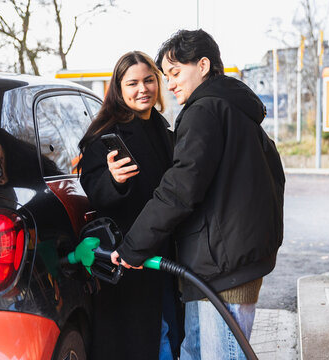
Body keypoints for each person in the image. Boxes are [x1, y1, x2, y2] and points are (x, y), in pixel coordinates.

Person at [111, 29, 285, 359]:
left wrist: (133, 247)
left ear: (202, 65)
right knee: (193, 352)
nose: (170, 83)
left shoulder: (204, 111)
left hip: (222, 270)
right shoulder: (236, 111)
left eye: (176, 73)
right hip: (221, 265)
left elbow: (179, 189)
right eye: (167, 76)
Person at [78, 51, 183, 360]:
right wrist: (113, 180)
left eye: (149, 80)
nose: (143, 89)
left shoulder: (162, 129)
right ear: (119, 89)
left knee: (166, 331)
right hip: (128, 259)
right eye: (133, 83)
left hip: (164, 255)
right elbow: (93, 192)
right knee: (143, 341)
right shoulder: (105, 135)